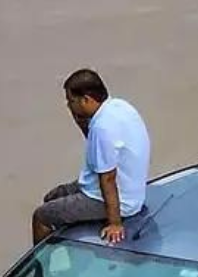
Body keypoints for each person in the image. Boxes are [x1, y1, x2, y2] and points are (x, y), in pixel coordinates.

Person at [33, 69, 151, 245]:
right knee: (52, 197)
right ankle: (67, 241)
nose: (68, 106)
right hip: (124, 189)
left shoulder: (102, 128)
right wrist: (79, 118)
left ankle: (43, 261)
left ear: (86, 100)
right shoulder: (119, 107)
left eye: (71, 101)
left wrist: (115, 223)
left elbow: (108, 179)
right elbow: (94, 145)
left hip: (115, 199)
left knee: (42, 216)